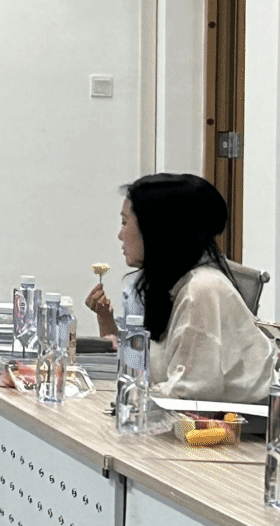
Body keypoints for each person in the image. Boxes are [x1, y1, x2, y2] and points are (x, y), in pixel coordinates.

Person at [82, 173, 276, 404]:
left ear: (157, 229)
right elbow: (154, 372)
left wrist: (130, 398)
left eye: (125, 222)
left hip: (244, 426)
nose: (120, 235)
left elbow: (189, 392)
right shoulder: (172, 286)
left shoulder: (202, 289)